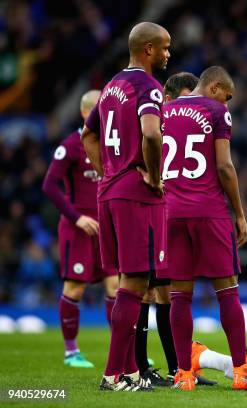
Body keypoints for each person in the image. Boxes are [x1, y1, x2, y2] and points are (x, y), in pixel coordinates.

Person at [81, 21, 171, 392]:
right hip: (135, 194)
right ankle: (113, 374)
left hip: (110, 191)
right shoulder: (147, 86)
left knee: (128, 283)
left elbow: (89, 134)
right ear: (147, 49)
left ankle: (131, 371)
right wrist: (153, 175)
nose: (168, 54)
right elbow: (151, 133)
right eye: (165, 48)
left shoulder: (111, 87)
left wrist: (107, 171)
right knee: (135, 282)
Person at [157, 66, 247, 390]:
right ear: (214, 88)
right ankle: (240, 371)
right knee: (227, 290)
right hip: (208, 211)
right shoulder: (216, 111)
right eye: (227, 96)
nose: (228, 103)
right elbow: (224, 166)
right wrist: (239, 214)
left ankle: (184, 374)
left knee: (179, 296)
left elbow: (150, 149)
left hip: (170, 212)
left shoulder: (164, 109)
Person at [42, 89, 118, 368]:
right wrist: (76, 218)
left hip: (108, 228)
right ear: (87, 113)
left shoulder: (111, 145)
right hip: (78, 228)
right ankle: (71, 351)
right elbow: (49, 186)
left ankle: (122, 353)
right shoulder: (71, 145)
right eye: (102, 108)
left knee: (117, 286)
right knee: (75, 288)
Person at [133, 72, 200, 387]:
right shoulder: (151, 120)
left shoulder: (180, 126)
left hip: (167, 216)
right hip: (146, 212)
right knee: (144, 290)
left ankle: (177, 369)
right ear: (170, 98)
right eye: (187, 97)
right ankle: (138, 370)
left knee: (164, 292)